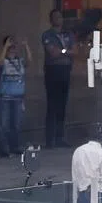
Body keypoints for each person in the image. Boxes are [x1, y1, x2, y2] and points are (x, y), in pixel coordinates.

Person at [41, 8, 74, 148]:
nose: (58, 19)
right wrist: (66, 51)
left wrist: (62, 51)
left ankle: (60, 138)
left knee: (62, 105)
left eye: (60, 17)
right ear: (51, 20)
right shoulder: (47, 34)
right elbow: (52, 52)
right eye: (55, 17)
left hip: (65, 70)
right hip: (52, 71)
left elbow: (76, 51)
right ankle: (50, 140)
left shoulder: (68, 34)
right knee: (52, 105)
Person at [0, 35, 31, 158]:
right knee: (3, 125)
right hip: (4, 97)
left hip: (18, 97)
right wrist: (5, 46)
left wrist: (26, 47)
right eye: (11, 44)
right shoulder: (3, 60)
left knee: (16, 124)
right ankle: (2, 150)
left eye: (14, 45)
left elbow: (29, 62)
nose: (13, 47)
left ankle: (15, 147)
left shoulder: (19, 61)